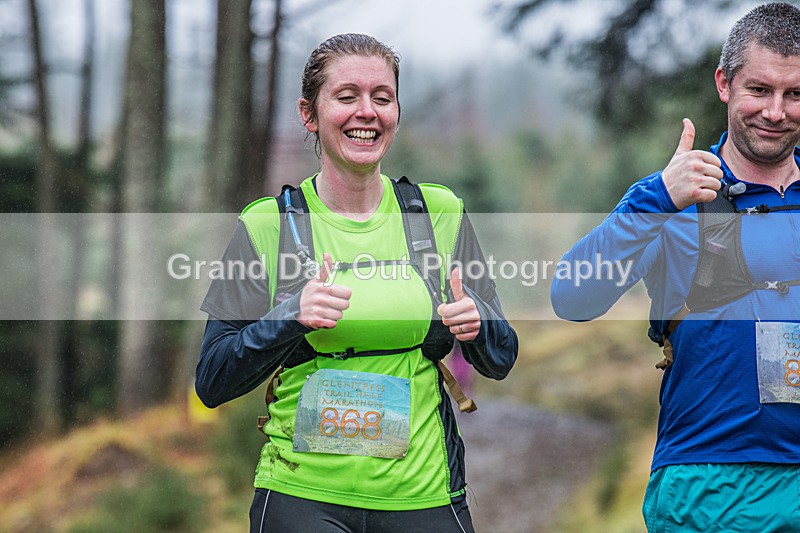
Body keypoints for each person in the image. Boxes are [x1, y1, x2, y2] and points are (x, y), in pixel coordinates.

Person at [195, 33, 518, 533]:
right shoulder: (268, 225)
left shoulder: (438, 213)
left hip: (424, 494)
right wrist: (289, 317)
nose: (366, 112)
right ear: (310, 114)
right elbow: (212, 379)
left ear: (395, 112)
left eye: (381, 98)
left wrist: (479, 326)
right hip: (302, 496)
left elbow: (502, 359)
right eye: (346, 97)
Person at [550, 3, 800, 531]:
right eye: (759, 90)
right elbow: (571, 297)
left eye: (794, 93)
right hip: (706, 490)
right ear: (723, 84)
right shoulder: (670, 198)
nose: (776, 112)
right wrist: (656, 200)